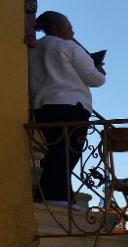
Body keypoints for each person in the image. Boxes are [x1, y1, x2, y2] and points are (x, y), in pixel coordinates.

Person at [28, 11, 106, 204]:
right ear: (60, 27)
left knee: (58, 151)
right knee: (68, 153)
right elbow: (94, 79)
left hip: (42, 107)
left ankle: (62, 195)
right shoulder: (68, 46)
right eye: (70, 26)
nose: (72, 30)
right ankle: (53, 196)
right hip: (72, 106)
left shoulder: (32, 48)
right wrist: (99, 70)